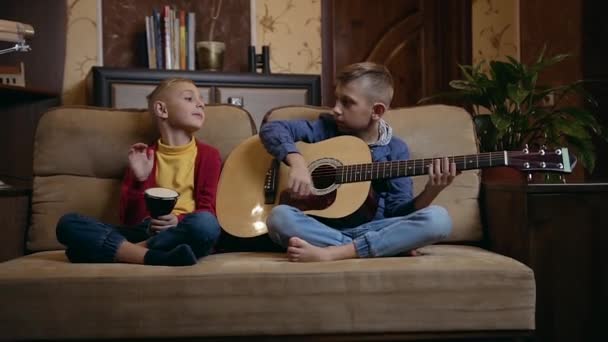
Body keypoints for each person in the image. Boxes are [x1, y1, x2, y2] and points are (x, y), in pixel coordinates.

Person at [259, 62, 456, 262]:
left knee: (439, 219)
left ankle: (335, 252)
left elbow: (398, 211)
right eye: (336, 99)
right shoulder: (325, 128)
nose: (336, 109)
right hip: (320, 228)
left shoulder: (395, 150)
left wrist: (432, 190)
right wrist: (297, 162)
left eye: (347, 102)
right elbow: (272, 129)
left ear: (377, 111)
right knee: (279, 217)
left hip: (371, 228)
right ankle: (380, 247)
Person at [56, 78, 222, 266]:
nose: (201, 104)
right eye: (189, 98)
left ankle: (129, 251)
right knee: (68, 224)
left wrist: (177, 220)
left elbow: (208, 210)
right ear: (162, 110)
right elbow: (130, 219)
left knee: (206, 224)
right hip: (146, 230)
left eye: (201, 100)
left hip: (185, 228)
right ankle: (155, 256)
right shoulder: (143, 157)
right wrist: (139, 179)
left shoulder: (209, 155)